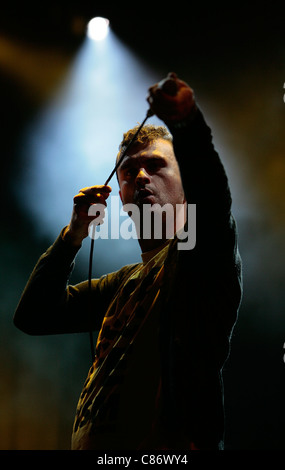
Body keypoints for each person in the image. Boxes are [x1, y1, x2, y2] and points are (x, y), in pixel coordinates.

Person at [14, 72, 242, 450]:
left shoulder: (199, 256)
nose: (140, 176)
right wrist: (73, 236)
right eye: (128, 171)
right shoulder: (121, 284)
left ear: (186, 187)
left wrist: (186, 124)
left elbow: (213, 195)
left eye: (156, 165)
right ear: (118, 193)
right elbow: (34, 316)